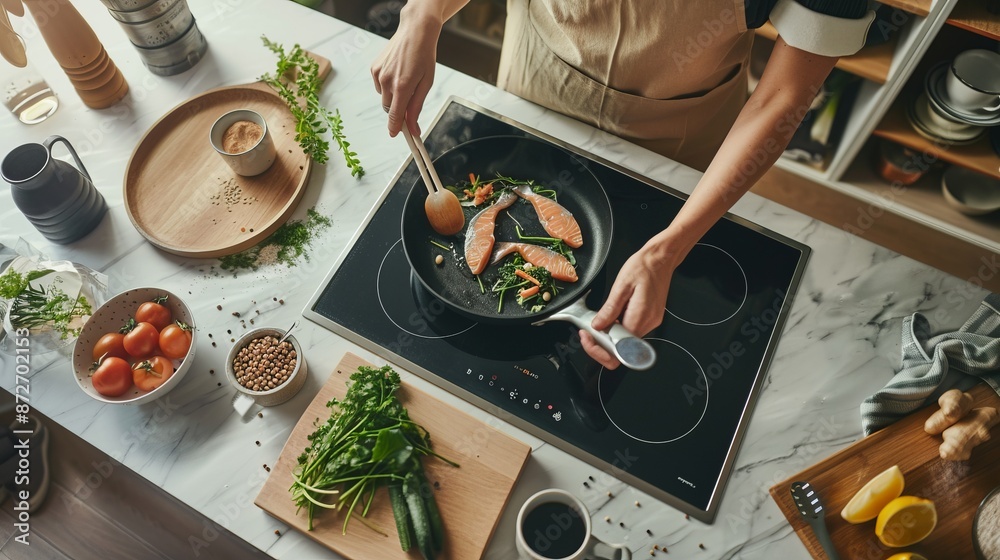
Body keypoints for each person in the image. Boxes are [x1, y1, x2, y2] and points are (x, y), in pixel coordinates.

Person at [372, 0, 874, 369]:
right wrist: (424, 13)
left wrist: (667, 251)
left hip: (676, 130)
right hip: (538, 77)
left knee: (640, 279)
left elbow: (784, 96)